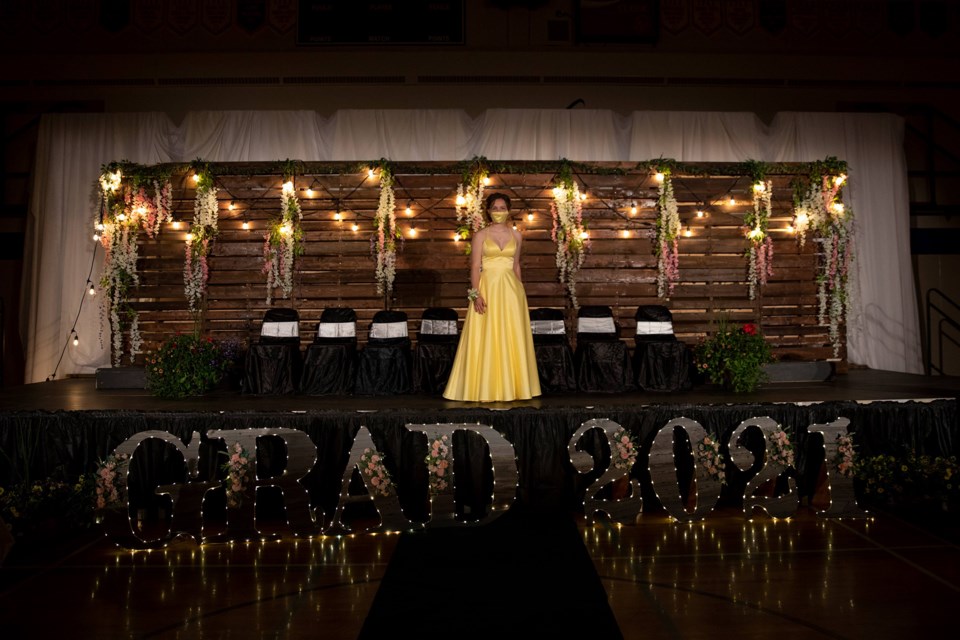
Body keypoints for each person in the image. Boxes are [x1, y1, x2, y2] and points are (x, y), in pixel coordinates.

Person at [443, 193, 542, 402]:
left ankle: (515, 387)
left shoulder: (517, 236)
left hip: (511, 292)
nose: (499, 211)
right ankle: (484, 388)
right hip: (487, 289)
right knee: (486, 335)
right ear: (488, 211)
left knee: (511, 335)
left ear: (509, 210)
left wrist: (521, 291)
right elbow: (474, 266)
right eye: (495, 208)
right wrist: (476, 294)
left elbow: (516, 265)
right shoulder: (480, 235)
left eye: (502, 207)